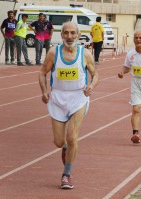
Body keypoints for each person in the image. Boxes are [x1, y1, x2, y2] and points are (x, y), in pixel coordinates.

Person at [39, 21, 99, 189]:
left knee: (72, 137)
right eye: (66, 33)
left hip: (78, 98)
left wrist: (91, 86)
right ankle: (65, 147)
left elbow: (95, 75)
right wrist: (44, 91)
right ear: (62, 35)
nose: (70, 36)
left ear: (78, 35)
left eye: (73, 33)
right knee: (59, 142)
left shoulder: (85, 54)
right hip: (57, 98)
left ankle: (66, 174)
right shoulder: (53, 52)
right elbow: (43, 73)